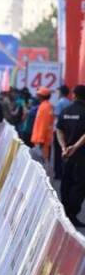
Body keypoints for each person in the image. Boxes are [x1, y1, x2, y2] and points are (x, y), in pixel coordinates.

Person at [57, 85, 85, 227]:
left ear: (74, 95)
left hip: (66, 154)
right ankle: (71, 214)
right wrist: (75, 147)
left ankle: (64, 212)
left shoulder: (65, 111)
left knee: (66, 182)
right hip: (81, 154)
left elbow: (59, 130)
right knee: (79, 184)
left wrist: (63, 147)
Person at [31, 87, 54, 163]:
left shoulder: (45, 107)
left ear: (41, 96)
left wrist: (41, 140)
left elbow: (44, 125)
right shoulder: (44, 106)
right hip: (41, 141)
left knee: (42, 163)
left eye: (38, 95)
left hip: (42, 142)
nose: (37, 96)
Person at [53, 85, 71, 180]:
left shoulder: (59, 103)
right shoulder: (69, 103)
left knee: (57, 153)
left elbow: (56, 117)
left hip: (59, 131)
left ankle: (58, 173)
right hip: (68, 131)